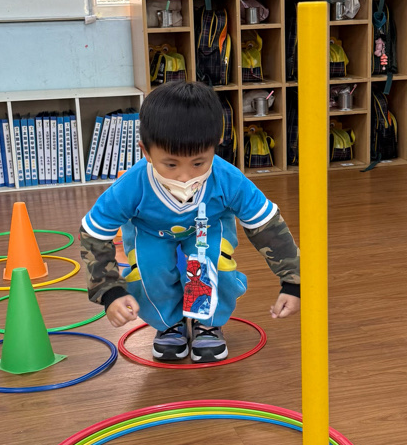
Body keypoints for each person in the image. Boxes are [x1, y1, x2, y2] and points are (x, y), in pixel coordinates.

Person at [80, 81, 300, 363]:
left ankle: (206, 323)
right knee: (149, 268)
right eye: (170, 164)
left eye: (198, 163)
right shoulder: (131, 186)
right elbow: (95, 233)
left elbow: (268, 227)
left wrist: (293, 283)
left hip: (206, 227)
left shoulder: (228, 179)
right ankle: (168, 324)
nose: (185, 177)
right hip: (149, 231)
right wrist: (109, 291)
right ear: (146, 151)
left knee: (207, 262)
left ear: (215, 147)